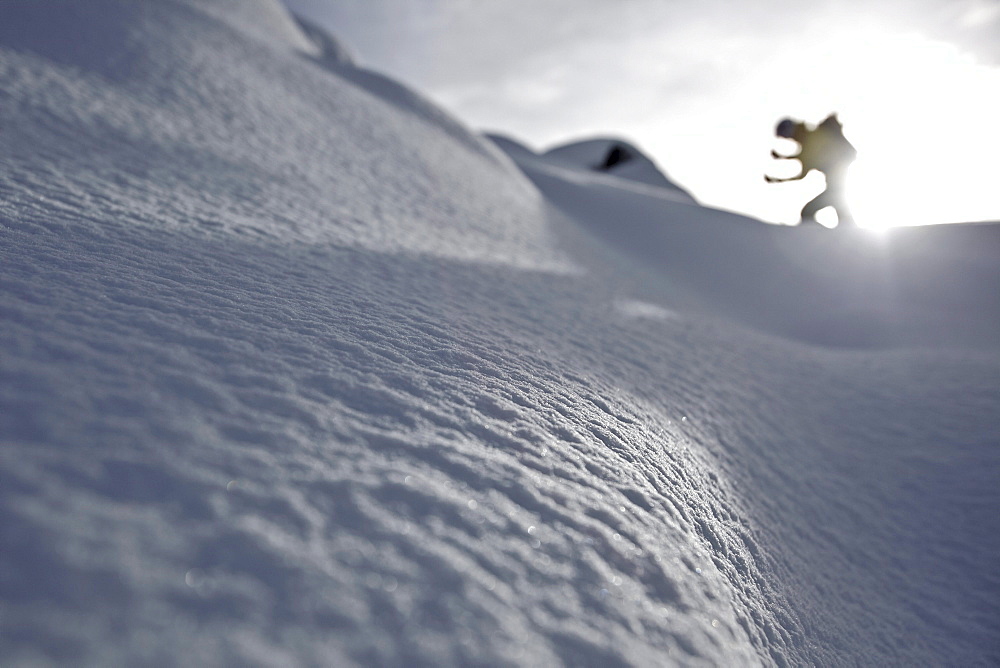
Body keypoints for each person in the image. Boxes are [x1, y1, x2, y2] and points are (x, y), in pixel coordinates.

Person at [765, 114, 857, 227]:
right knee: (844, 220)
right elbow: (805, 158)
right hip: (836, 186)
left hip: (835, 187)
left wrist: (778, 178)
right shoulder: (811, 136)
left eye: (787, 136)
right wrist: (782, 158)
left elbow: (804, 165)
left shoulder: (810, 140)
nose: (790, 139)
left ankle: (820, 240)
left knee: (808, 213)